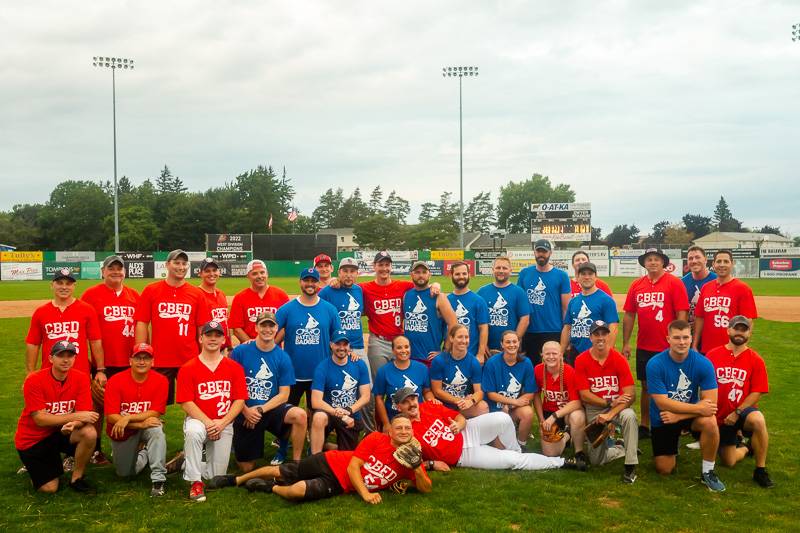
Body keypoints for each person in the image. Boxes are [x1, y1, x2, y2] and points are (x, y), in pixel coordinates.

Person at [207, 414, 432, 504]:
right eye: (398, 428)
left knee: (297, 492)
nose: (403, 431)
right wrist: (365, 494)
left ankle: (269, 489)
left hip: (339, 484)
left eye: (407, 428)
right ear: (390, 431)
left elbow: (425, 489)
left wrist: (418, 469)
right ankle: (234, 480)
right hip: (332, 462)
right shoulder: (376, 438)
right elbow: (354, 467)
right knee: (282, 471)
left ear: (412, 431)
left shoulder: (411, 456)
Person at [27, 267, 106, 465]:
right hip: (49, 374)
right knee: (47, 414)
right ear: (52, 284)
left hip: (79, 373)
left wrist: (100, 370)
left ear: (74, 285)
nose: (64, 287)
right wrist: (30, 373)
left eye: (68, 283)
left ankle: (76, 454)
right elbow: (33, 343)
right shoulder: (41, 312)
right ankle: (39, 454)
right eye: (59, 282)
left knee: (81, 414)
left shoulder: (86, 309)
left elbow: (95, 341)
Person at [351, 251, 439, 430]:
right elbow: (348, 286)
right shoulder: (364, 288)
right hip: (378, 341)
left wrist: (436, 284)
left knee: (405, 382)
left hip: (399, 342)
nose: (384, 268)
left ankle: (410, 423)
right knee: (376, 388)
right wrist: (332, 281)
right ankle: (376, 430)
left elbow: (422, 284)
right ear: (374, 267)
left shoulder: (404, 286)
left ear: (391, 267)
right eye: (380, 264)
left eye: (387, 264)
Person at [393, 387, 574, 472]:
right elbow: (403, 462)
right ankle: (561, 462)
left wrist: (459, 424)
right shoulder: (402, 429)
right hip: (462, 455)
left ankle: (516, 450)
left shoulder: (428, 406)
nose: (411, 404)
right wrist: (432, 464)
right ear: (399, 407)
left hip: (467, 431)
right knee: (512, 461)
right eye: (405, 402)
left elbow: (459, 416)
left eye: (413, 399)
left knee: (503, 418)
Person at [646, 319, 725, 492]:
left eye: (685, 337)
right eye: (676, 338)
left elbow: (711, 404)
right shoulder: (655, 363)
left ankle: (708, 472)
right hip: (663, 418)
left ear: (691, 338)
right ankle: (672, 448)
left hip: (684, 415)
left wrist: (680, 416)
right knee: (664, 469)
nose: (681, 342)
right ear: (668, 339)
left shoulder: (703, 363)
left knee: (710, 422)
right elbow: (662, 402)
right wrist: (697, 409)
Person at [177, 321, 247, 502]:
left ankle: (187, 462)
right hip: (199, 420)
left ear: (224, 339)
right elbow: (186, 402)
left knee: (216, 477)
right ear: (201, 338)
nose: (213, 339)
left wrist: (222, 423)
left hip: (223, 421)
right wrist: (209, 422)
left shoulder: (234, 367)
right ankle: (195, 482)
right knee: (193, 432)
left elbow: (239, 401)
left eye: (217, 335)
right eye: (209, 335)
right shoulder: (188, 368)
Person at [622, 247, 689, 438]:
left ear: (663, 262)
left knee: (672, 386)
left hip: (667, 346)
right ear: (644, 263)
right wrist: (626, 342)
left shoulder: (674, 283)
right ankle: (645, 424)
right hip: (644, 345)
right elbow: (629, 314)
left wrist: (680, 340)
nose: (652, 262)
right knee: (645, 386)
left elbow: (681, 313)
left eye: (656, 259)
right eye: (649, 259)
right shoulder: (637, 285)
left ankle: (676, 420)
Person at [15, 341, 98, 494]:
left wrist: (74, 423)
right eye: (60, 355)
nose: (65, 360)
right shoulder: (34, 380)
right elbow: (40, 419)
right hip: (33, 439)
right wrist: (75, 416)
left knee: (89, 432)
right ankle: (36, 468)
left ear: (75, 359)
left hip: (60, 431)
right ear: (51, 358)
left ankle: (77, 478)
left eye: (70, 355)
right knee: (50, 488)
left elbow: (84, 413)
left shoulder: (80, 378)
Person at [229, 311, 307, 471]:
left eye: (271, 326)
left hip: (269, 408)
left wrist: (259, 409)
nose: (267, 329)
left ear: (277, 328)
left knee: (300, 415)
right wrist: (245, 411)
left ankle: (297, 463)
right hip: (244, 409)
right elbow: (229, 386)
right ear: (256, 327)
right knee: (246, 468)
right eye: (263, 325)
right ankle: (235, 440)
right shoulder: (240, 352)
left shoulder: (282, 357)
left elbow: (284, 394)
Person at [705, 316, 773, 488]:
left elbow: (757, 392)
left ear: (749, 333)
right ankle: (746, 447)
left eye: (744, 329)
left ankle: (760, 470)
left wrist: (737, 412)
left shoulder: (755, 359)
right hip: (720, 415)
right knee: (729, 461)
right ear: (728, 330)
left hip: (742, 412)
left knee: (758, 420)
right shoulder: (713, 355)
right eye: (736, 328)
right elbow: (704, 385)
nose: (739, 333)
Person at [134, 249, 209, 404]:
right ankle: (154, 428)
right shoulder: (151, 290)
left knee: (195, 400)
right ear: (167, 265)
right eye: (176, 262)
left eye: (184, 263)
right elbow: (142, 322)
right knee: (156, 402)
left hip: (189, 357)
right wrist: (141, 351)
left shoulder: (196, 293)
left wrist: (205, 355)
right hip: (160, 358)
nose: (181, 267)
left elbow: (202, 328)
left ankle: (195, 428)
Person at [574, 321, 639, 483]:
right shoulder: (581, 360)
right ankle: (619, 448)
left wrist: (611, 413)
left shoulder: (619, 359)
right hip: (597, 408)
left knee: (629, 415)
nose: (601, 338)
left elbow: (630, 395)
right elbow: (585, 395)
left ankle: (630, 466)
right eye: (596, 334)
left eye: (604, 334)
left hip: (617, 408)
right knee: (596, 461)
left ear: (609, 336)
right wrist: (609, 402)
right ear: (590, 337)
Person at [104, 342, 169, 497]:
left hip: (140, 424)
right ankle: (145, 453)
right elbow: (111, 416)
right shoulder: (115, 380)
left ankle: (158, 480)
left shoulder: (161, 380)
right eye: (138, 358)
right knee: (125, 474)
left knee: (156, 428)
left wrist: (128, 418)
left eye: (146, 358)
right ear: (130, 360)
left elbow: (155, 412)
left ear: (152, 362)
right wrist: (139, 423)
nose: (141, 362)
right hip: (123, 431)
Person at [275, 268, 341, 411]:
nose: (310, 284)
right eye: (306, 280)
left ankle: (313, 433)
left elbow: (338, 338)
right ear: (300, 282)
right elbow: (268, 332)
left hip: (320, 372)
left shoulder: (329, 309)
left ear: (318, 284)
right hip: (292, 372)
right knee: (288, 413)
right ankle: (294, 434)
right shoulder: (287, 309)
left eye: (313, 281)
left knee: (318, 413)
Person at [310, 331, 371, 454]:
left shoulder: (359, 364)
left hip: (351, 413)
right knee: (318, 417)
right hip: (330, 412)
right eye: (338, 344)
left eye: (345, 344)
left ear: (349, 346)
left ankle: (325, 446)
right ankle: (314, 457)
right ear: (331, 345)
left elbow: (366, 396)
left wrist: (349, 410)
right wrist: (340, 414)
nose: (342, 348)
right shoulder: (323, 367)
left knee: (346, 456)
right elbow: (316, 402)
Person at [517, 239, 571, 365]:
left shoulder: (561, 275)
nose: (541, 254)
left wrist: (567, 335)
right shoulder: (525, 273)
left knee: (554, 367)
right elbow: (519, 305)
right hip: (529, 331)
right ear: (534, 253)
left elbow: (566, 308)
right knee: (531, 369)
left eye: (544, 251)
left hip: (553, 330)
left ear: (550, 253)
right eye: (538, 251)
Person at [693, 250, 757, 354]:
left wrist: (742, 347)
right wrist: (695, 345)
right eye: (719, 261)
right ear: (713, 264)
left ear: (732, 264)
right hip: (707, 349)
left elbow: (748, 321)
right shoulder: (706, 288)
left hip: (731, 349)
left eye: (726, 261)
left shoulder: (743, 289)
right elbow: (700, 318)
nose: (722, 265)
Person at [482, 331, 537, 450]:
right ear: (502, 344)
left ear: (519, 343)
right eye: (508, 342)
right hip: (493, 410)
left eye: (514, 341)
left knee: (527, 412)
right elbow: (490, 394)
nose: (512, 345)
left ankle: (521, 445)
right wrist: (513, 402)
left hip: (511, 409)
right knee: (501, 449)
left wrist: (512, 405)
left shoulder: (526, 363)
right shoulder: (492, 363)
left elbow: (530, 392)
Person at [533, 341, 586, 463]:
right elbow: (536, 395)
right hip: (549, 411)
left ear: (561, 355)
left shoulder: (569, 371)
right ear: (542, 355)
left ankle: (579, 452)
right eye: (547, 354)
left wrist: (555, 416)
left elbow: (577, 402)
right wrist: (541, 419)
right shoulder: (538, 370)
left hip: (566, 413)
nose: (551, 357)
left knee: (577, 416)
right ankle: (567, 435)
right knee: (550, 453)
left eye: (554, 353)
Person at [560, 262, 619, 366]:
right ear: (577, 277)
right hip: (575, 352)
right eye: (583, 274)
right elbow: (567, 328)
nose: (587, 277)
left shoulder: (605, 300)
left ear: (596, 277)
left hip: (596, 351)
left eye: (590, 274)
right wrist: (561, 352)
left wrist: (607, 353)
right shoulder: (573, 301)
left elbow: (613, 327)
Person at [373, 335, 434, 430]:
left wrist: (432, 402)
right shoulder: (384, 371)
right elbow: (379, 398)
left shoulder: (422, 368)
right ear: (393, 350)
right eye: (399, 347)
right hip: (394, 419)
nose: (403, 350)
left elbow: (427, 392)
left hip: (417, 417)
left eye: (406, 347)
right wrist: (386, 423)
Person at [403, 260, 457, 366]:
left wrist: (445, 351)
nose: (421, 275)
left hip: (430, 358)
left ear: (429, 274)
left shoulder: (439, 297)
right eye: (417, 272)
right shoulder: (406, 295)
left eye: (424, 272)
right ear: (411, 275)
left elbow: (453, 324)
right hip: (409, 357)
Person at [429, 324, 488, 418]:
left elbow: (479, 392)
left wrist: (471, 401)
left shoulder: (473, 362)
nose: (464, 341)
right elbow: (437, 391)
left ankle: (467, 428)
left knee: (483, 407)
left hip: (462, 406)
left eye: (466, 337)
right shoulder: (439, 361)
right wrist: (458, 400)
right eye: (460, 337)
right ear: (451, 338)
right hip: (443, 405)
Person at [318, 257, 366, 364]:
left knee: (365, 379)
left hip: (358, 346)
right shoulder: (327, 291)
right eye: (345, 271)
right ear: (339, 272)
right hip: (336, 347)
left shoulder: (359, 290)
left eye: (352, 271)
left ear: (357, 273)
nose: (349, 275)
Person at [228, 259, 289, 343]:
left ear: (267, 274)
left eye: (262, 272)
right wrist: (253, 347)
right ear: (248, 276)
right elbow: (237, 329)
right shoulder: (240, 298)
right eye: (254, 273)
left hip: (274, 347)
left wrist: (273, 345)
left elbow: (285, 326)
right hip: (249, 348)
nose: (259, 276)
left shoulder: (281, 295)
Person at [477, 256, 530, 353]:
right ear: (493, 270)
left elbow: (525, 319)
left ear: (510, 270)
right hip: (488, 347)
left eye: (504, 268)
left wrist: (514, 342)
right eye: (498, 268)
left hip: (510, 348)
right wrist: (482, 345)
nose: (501, 271)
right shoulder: (482, 292)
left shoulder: (518, 292)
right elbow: (477, 321)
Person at [447, 261, 490, 363]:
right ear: (450, 276)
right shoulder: (446, 300)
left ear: (469, 275)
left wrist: (480, 354)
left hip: (471, 356)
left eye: (464, 273)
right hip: (449, 356)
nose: (461, 276)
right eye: (457, 274)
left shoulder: (478, 300)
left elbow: (483, 328)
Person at [197, 257, 231, 351]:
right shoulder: (196, 294)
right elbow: (198, 328)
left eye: (214, 270)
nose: (212, 274)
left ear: (219, 272)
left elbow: (226, 323)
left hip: (222, 349)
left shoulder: (221, 294)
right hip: (207, 351)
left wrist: (230, 346)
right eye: (207, 271)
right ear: (200, 274)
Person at [681, 245, 717, 335]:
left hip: (711, 332)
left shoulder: (717, 281)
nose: (694, 261)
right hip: (689, 334)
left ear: (705, 259)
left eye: (697, 257)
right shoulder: (682, 282)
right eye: (690, 258)